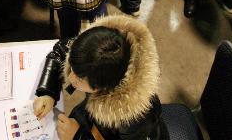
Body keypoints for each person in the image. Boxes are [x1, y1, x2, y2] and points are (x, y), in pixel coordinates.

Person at [33, 16, 168, 140]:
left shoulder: (135, 119)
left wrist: (78, 136)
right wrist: (47, 92)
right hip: (92, 118)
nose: (70, 77)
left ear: (102, 87)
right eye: (72, 69)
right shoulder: (98, 47)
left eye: (79, 78)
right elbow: (60, 51)